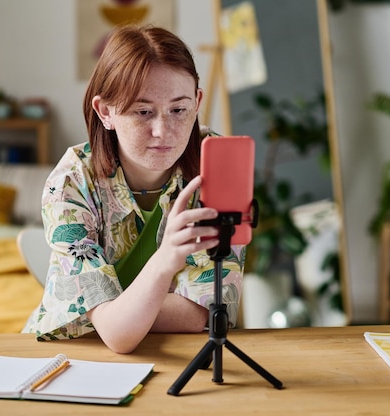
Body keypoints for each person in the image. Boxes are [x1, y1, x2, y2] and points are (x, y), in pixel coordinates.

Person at [23, 25, 246, 354]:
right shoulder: (71, 182)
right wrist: (166, 261)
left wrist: (114, 310)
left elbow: (205, 313)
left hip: (182, 354)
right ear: (105, 112)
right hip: (76, 356)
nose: (163, 131)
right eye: (143, 112)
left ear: (197, 102)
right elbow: (119, 336)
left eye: (179, 110)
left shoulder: (219, 164)